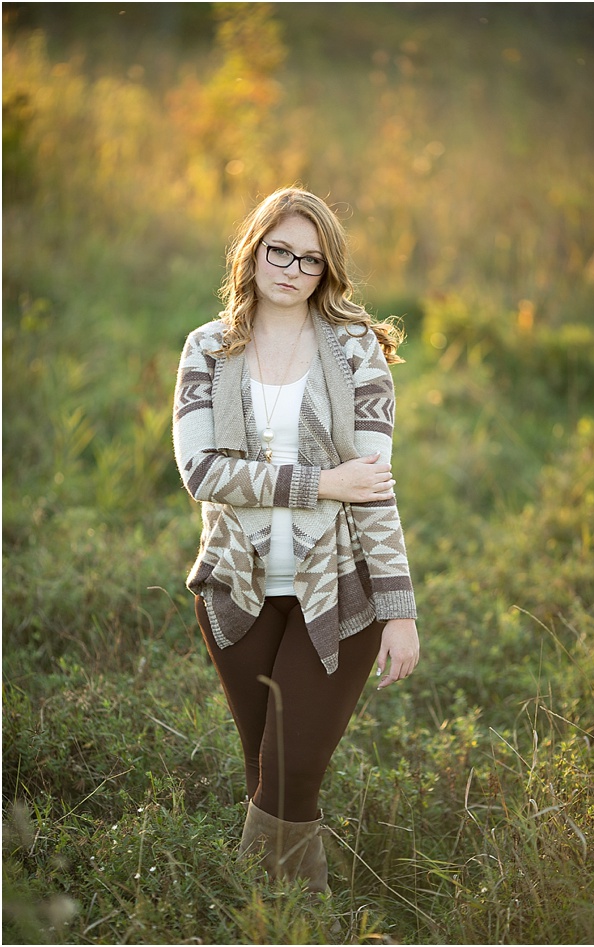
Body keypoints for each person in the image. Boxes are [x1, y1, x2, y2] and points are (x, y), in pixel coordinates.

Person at [171, 186, 422, 894]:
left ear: (326, 271)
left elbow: (371, 486)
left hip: (339, 595)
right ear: (252, 251)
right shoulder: (207, 350)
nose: (291, 269)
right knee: (268, 776)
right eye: (279, 250)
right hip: (236, 594)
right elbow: (203, 472)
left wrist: (398, 607)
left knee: (289, 774)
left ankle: (270, 914)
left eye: (310, 260)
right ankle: (286, 915)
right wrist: (321, 483)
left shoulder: (355, 352)